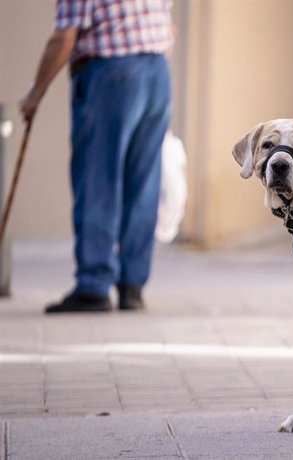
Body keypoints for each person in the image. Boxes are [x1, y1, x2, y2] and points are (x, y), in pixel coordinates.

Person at [19, 0, 174, 313]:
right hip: (157, 71)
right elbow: (169, 24)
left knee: (97, 179)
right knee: (143, 182)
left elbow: (64, 37)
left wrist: (36, 93)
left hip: (111, 71)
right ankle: (132, 286)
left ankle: (94, 285)